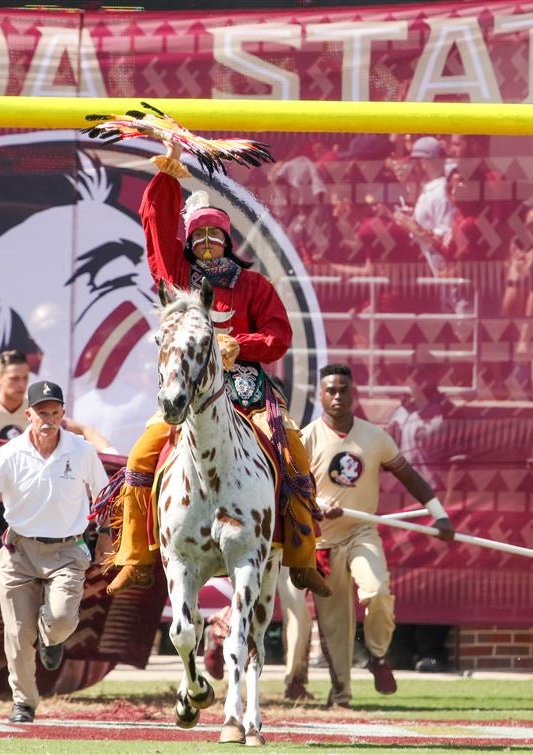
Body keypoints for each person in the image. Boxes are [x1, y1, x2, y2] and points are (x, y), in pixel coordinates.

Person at [103, 139, 329, 598]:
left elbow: (278, 337)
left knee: (295, 454)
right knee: (140, 457)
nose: (206, 244)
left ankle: (304, 557)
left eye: (214, 235)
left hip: (248, 392)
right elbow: (157, 231)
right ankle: (136, 553)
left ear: (227, 239)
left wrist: (236, 345)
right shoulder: (181, 283)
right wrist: (168, 177)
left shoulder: (254, 285)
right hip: (189, 397)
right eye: (199, 237)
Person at [297, 363, 455, 707]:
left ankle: (379, 656)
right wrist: (316, 503)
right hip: (322, 542)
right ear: (320, 395)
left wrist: (439, 515)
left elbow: (409, 476)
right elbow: (291, 489)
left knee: (377, 590)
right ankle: (341, 696)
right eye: (331, 391)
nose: (338, 396)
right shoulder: (306, 438)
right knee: (334, 623)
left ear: (354, 393)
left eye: (344, 390)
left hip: (360, 532)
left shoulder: (375, 437)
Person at [0, 380, 107, 724]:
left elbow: (105, 496)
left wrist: (107, 534)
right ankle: (24, 701)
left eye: (55, 412)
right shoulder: (9, 453)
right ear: (28, 415)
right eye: (41, 413)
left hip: (68, 550)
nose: (48, 419)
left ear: (63, 414)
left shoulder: (82, 451)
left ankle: (52, 636)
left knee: (62, 619)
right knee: (18, 632)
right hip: (19, 551)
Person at [0, 349, 116, 453]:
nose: (21, 384)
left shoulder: (38, 410)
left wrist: (112, 455)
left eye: (25, 378)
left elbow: (84, 431)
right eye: (14, 379)